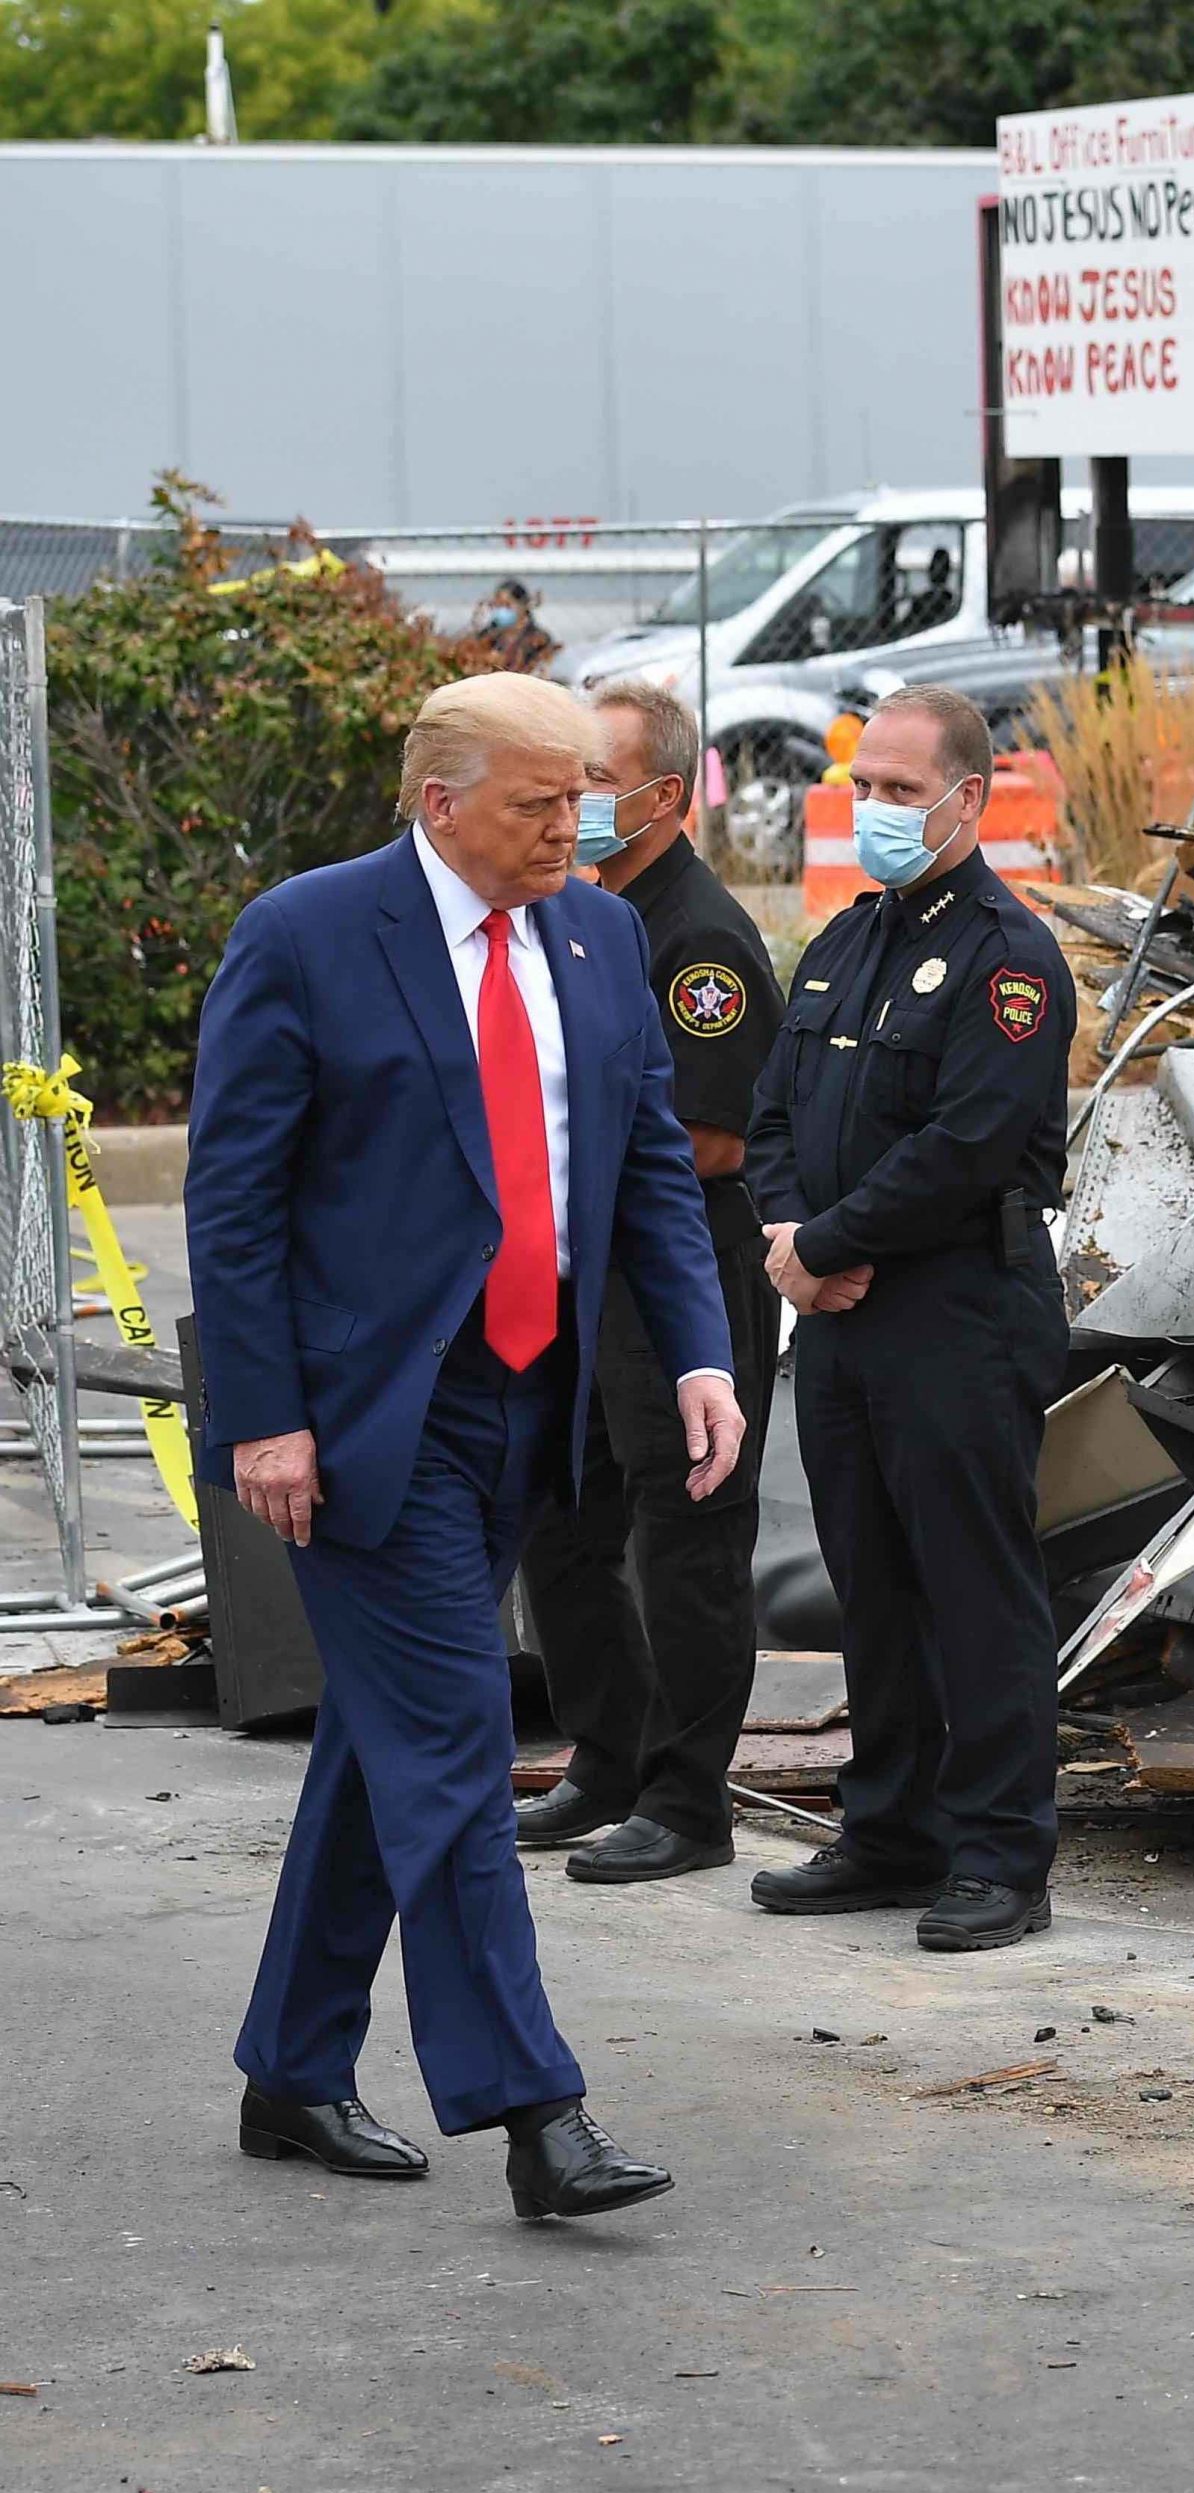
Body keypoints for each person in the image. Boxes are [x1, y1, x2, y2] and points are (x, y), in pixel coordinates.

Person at [186, 672, 746, 2221]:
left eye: (583, 798)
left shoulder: (600, 935)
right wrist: (268, 1415)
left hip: (535, 1399)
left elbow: (640, 1159)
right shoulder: (306, 935)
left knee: (386, 1745)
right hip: (374, 1419)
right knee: (449, 1745)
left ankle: (293, 2065)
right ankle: (535, 2110)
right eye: (537, 803)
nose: (573, 825)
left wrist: (697, 1348)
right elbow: (234, 1203)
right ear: (441, 806)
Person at [745, 685, 1072, 1951]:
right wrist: (793, 1247)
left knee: (974, 1592)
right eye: (862, 786)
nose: (874, 807)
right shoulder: (842, 944)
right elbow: (773, 1115)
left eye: (898, 788)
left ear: (966, 799)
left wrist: (827, 1243)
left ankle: (998, 1856)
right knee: (869, 1586)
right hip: (837, 1318)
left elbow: (971, 1143)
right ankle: (890, 1829)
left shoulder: (1006, 957)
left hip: (957, 1314)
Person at [515, 679, 784, 1881]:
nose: (572, 807)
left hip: (683, 1263)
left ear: (663, 797)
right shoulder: (574, 915)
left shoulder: (699, 941)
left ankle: (687, 1802)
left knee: (684, 1537)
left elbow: (716, 1137)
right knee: (564, 1521)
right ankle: (606, 1755)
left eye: (593, 784)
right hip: (580, 1268)